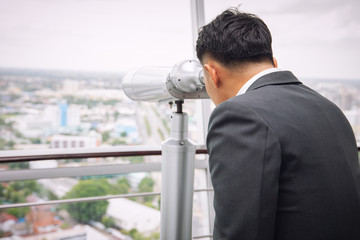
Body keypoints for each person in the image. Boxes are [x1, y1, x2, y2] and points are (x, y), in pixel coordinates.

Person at [196, 8, 360, 240]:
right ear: (273, 62)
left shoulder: (238, 114)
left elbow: (241, 231)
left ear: (212, 74)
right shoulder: (329, 108)